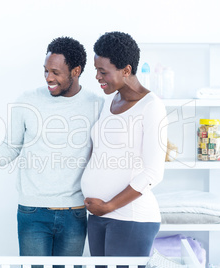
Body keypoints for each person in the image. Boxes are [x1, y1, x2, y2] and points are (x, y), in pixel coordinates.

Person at [0, 37, 104, 260]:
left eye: (55, 72)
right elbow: (10, 147)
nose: (48, 78)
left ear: (76, 71)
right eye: (45, 71)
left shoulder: (97, 105)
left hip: (75, 213)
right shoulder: (27, 101)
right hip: (32, 212)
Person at [81, 32, 168, 259]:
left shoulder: (151, 107)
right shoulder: (109, 99)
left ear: (126, 70)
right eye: (96, 70)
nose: (98, 77)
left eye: (103, 72)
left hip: (130, 218)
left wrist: (110, 205)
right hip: (99, 216)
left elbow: (153, 172)